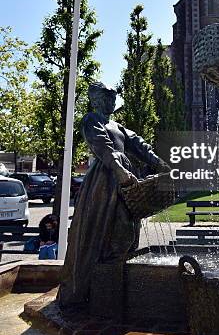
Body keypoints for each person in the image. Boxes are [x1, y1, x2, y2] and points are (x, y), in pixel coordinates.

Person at [58, 82, 169, 309]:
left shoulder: (117, 125)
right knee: (101, 229)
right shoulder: (91, 120)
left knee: (127, 229)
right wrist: (119, 169)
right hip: (104, 181)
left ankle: (117, 282)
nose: (112, 102)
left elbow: (140, 145)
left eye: (113, 98)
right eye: (107, 98)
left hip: (125, 180)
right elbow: (101, 145)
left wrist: (159, 163)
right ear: (96, 100)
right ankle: (91, 289)